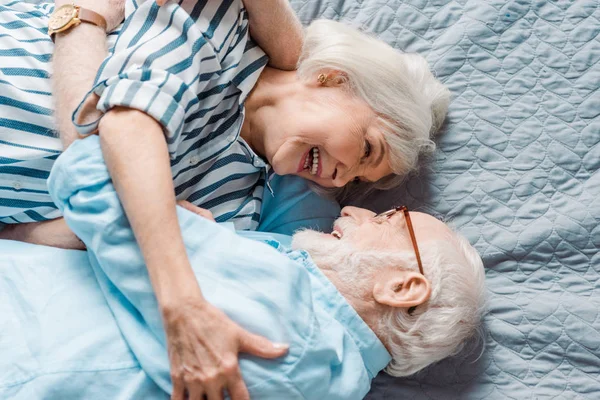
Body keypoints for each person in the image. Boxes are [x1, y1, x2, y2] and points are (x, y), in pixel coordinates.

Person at [0, 0, 450, 396]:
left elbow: (77, 230)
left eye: (354, 178)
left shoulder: (240, 206)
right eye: (366, 149)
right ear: (335, 79)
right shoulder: (221, 30)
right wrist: (82, 19)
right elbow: (123, 126)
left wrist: (98, 225)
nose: (338, 179)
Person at [0, 135, 486, 400]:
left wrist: (79, 26)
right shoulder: (331, 372)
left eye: (387, 218)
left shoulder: (287, 315)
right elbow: (295, 189)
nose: (353, 211)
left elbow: (97, 189)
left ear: (402, 287)